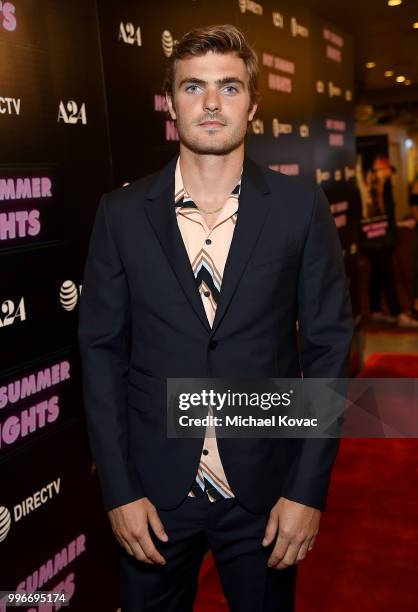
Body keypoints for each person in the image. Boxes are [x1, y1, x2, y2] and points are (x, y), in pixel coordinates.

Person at [78, 24, 353, 611]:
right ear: (171, 102)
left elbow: (330, 350)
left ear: (252, 104)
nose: (210, 103)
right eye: (193, 87)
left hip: (265, 494)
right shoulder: (121, 214)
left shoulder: (300, 209)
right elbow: (101, 354)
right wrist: (118, 491)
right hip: (152, 498)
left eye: (228, 87)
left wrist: (307, 491)